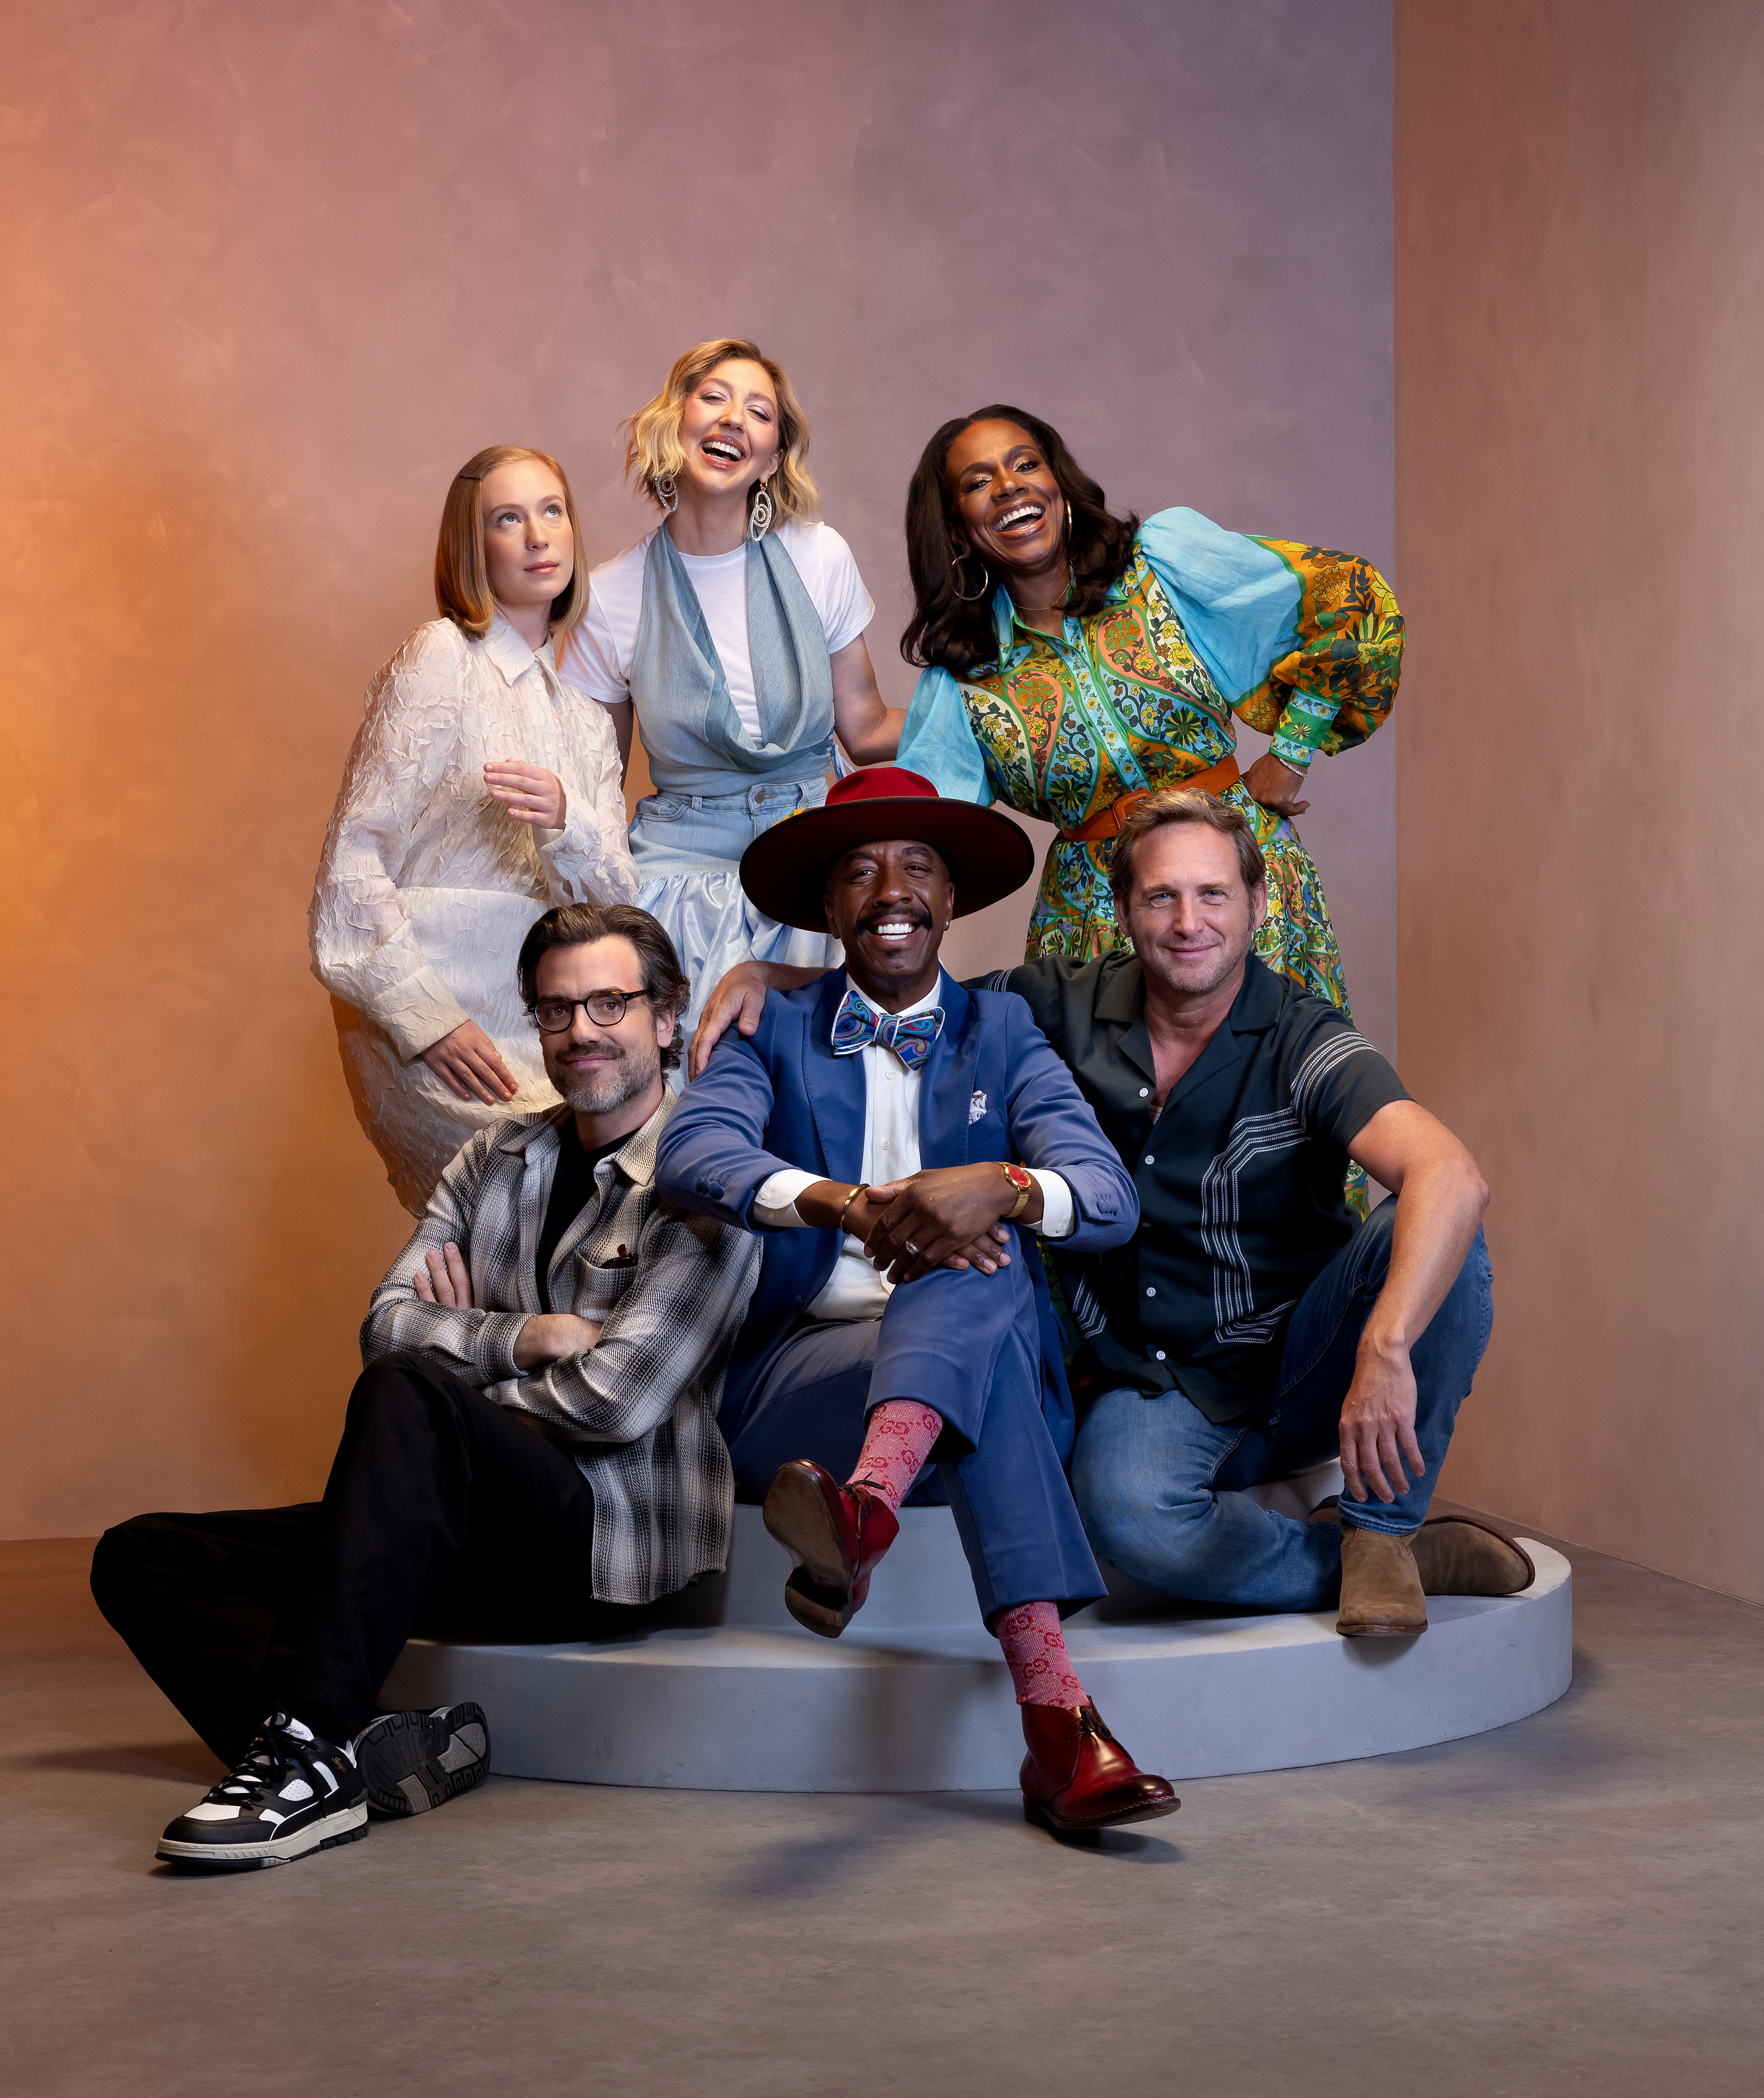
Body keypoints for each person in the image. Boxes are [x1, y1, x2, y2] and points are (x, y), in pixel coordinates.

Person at [690, 789, 1533, 1640]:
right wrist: (772, 978)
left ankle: (1386, 1534)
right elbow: (903, 977)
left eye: (1213, 895)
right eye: (1161, 897)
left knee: (1442, 1231)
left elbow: (1450, 1174)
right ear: (1124, 910)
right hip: (1163, 1383)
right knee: (1124, 1521)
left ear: (1258, 905)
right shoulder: (1053, 1004)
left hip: (1312, 1359)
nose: (1188, 922)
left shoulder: (1302, 1036)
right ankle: (1354, 1561)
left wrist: (1384, 1350)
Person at [92, 904, 761, 1872]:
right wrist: (528, 1336)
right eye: (557, 1009)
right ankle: (351, 1754)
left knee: (415, 1396)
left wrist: (458, 1398)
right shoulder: (493, 1159)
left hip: (603, 1540)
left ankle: (303, 1753)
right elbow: (385, 1322)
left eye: (610, 1003)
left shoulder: (708, 1179)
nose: (582, 1031)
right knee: (144, 1558)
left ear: (666, 1019)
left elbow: (615, 1400)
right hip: (471, 1519)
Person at [657, 764, 1180, 1840]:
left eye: (916, 869)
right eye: (859, 872)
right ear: (829, 908)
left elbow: (1109, 1197)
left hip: (944, 1376)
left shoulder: (1004, 1033)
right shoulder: (776, 1027)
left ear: (949, 902)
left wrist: (1004, 1183)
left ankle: (866, 1514)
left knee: (971, 1263)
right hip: (805, 1383)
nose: (889, 889)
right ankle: (1061, 1730)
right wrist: (845, 1205)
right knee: (975, 1277)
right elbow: (692, 1154)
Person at [894, 401, 1403, 1016]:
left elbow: (1348, 598)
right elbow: (916, 839)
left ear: (1058, 483)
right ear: (955, 526)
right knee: (1114, 1110)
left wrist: (1291, 754)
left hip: (1232, 886)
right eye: (978, 482)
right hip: (1092, 932)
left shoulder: (1161, 566)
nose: (1008, 487)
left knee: (1280, 1093)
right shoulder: (961, 680)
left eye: (1026, 464)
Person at [311, 444, 638, 1212]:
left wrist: (568, 822)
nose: (538, 536)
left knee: (610, 1219)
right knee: (524, 1216)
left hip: (550, 1022)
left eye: (552, 511)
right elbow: (351, 861)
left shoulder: (587, 724)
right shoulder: (440, 659)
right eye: (508, 519)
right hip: (440, 1017)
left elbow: (620, 905)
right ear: (473, 545)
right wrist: (426, 1020)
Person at [557, 338, 902, 1041]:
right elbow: (594, 789)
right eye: (714, 397)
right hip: (676, 868)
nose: (733, 419)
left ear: (774, 458)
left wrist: (987, 710)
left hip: (814, 857)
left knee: (816, 1082)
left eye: (759, 411)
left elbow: (864, 730)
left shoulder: (819, 555)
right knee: (682, 1082)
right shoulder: (608, 597)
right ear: (673, 423)